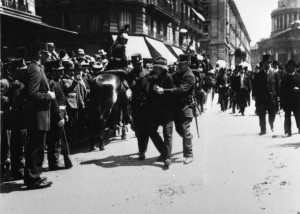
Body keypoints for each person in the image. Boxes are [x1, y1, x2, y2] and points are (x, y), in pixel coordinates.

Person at [23, 43, 57, 189]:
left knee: (37, 145)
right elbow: (33, 94)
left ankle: (34, 175)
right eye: (46, 52)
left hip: (41, 113)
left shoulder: (37, 68)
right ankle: (33, 179)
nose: (49, 55)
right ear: (39, 53)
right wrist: (48, 96)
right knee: (36, 146)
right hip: (38, 114)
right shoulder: (35, 69)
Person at [155, 54, 196, 164]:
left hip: (186, 105)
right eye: (179, 64)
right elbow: (169, 78)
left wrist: (164, 91)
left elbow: (181, 90)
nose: (179, 66)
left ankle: (189, 154)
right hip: (177, 105)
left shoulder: (189, 76)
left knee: (184, 127)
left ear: (188, 63)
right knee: (179, 129)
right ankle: (188, 138)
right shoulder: (179, 73)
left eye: (182, 64)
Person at [146, 57, 174, 167]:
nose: (155, 69)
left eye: (157, 68)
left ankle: (167, 158)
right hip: (156, 110)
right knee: (151, 131)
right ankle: (163, 151)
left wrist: (163, 92)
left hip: (167, 110)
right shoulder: (153, 77)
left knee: (167, 133)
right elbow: (150, 94)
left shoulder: (168, 77)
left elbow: (172, 92)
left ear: (162, 68)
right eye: (155, 67)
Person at [127, 53, 149, 160]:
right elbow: (129, 86)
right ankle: (142, 149)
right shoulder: (130, 75)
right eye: (136, 64)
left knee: (145, 129)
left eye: (139, 63)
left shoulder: (148, 73)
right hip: (135, 105)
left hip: (147, 105)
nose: (138, 66)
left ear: (142, 62)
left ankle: (142, 150)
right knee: (138, 129)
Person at [252, 55, 278, 135]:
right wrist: (254, 95)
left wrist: (278, 95)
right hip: (261, 98)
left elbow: (277, 85)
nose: (266, 65)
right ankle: (263, 129)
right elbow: (254, 85)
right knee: (261, 114)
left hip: (271, 97)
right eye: (265, 63)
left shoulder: (274, 73)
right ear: (263, 64)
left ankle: (271, 123)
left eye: (268, 63)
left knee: (272, 113)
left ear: (270, 64)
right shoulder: (258, 74)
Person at [280, 59, 300, 137]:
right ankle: (288, 131)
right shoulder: (285, 78)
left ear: (295, 67)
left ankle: (299, 128)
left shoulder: (299, 76)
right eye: (289, 66)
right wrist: (281, 103)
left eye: (292, 66)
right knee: (287, 116)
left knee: (298, 115)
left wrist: (299, 89)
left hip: (297, 100)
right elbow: (281, 91)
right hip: (287, 101)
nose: (291, 68)